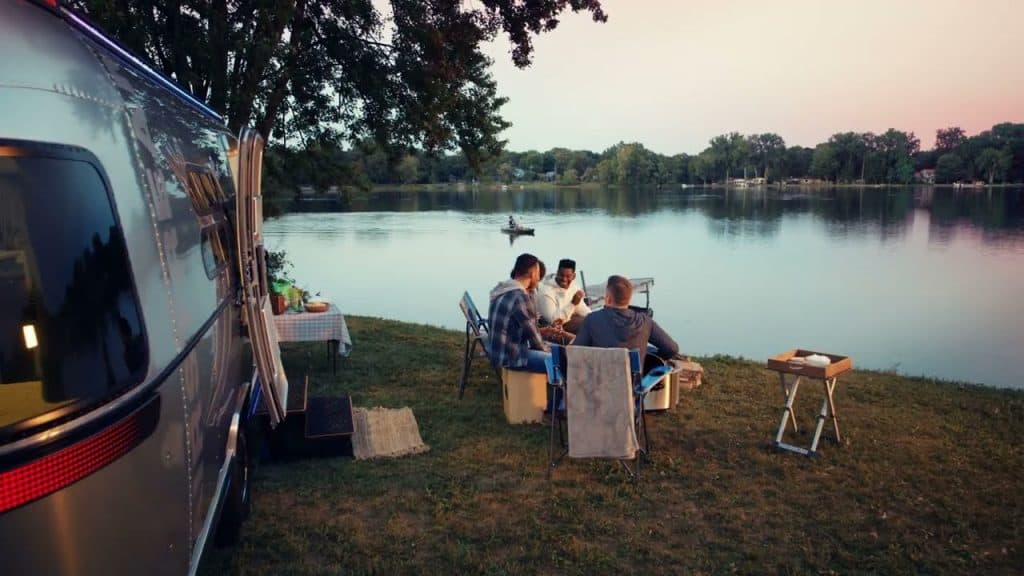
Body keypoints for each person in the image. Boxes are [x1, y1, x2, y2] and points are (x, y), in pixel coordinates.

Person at [571, 275, 679, 359]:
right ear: (629, 299)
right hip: (632, 386)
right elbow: (672, 349)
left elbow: (574, 353)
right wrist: (650, 358)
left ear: (608, 298)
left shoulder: (592, 319)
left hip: (595, 384)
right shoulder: (646, 322)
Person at [487, 253, 550, 374]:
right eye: (538, 274)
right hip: (512, 358)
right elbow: (534, 340)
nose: (538, 279)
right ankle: (556, 392)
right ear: (532, 273)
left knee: (554, 351)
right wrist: (548, 349)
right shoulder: (519, 296)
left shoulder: (505, 289)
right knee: (558, 363)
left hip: (499, 352)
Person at [537, 258, 591, 334]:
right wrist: (572, 304)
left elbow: (582, 309)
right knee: (587, 324)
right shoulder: (546, 291)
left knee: (593, 321)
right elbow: (554, 321)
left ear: (574, 276)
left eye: (568, 276)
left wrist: (596, 317)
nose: (564, 279)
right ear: (557, 273)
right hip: (552, 329)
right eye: (561, 275)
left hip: (568, 323)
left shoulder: (574, 288)